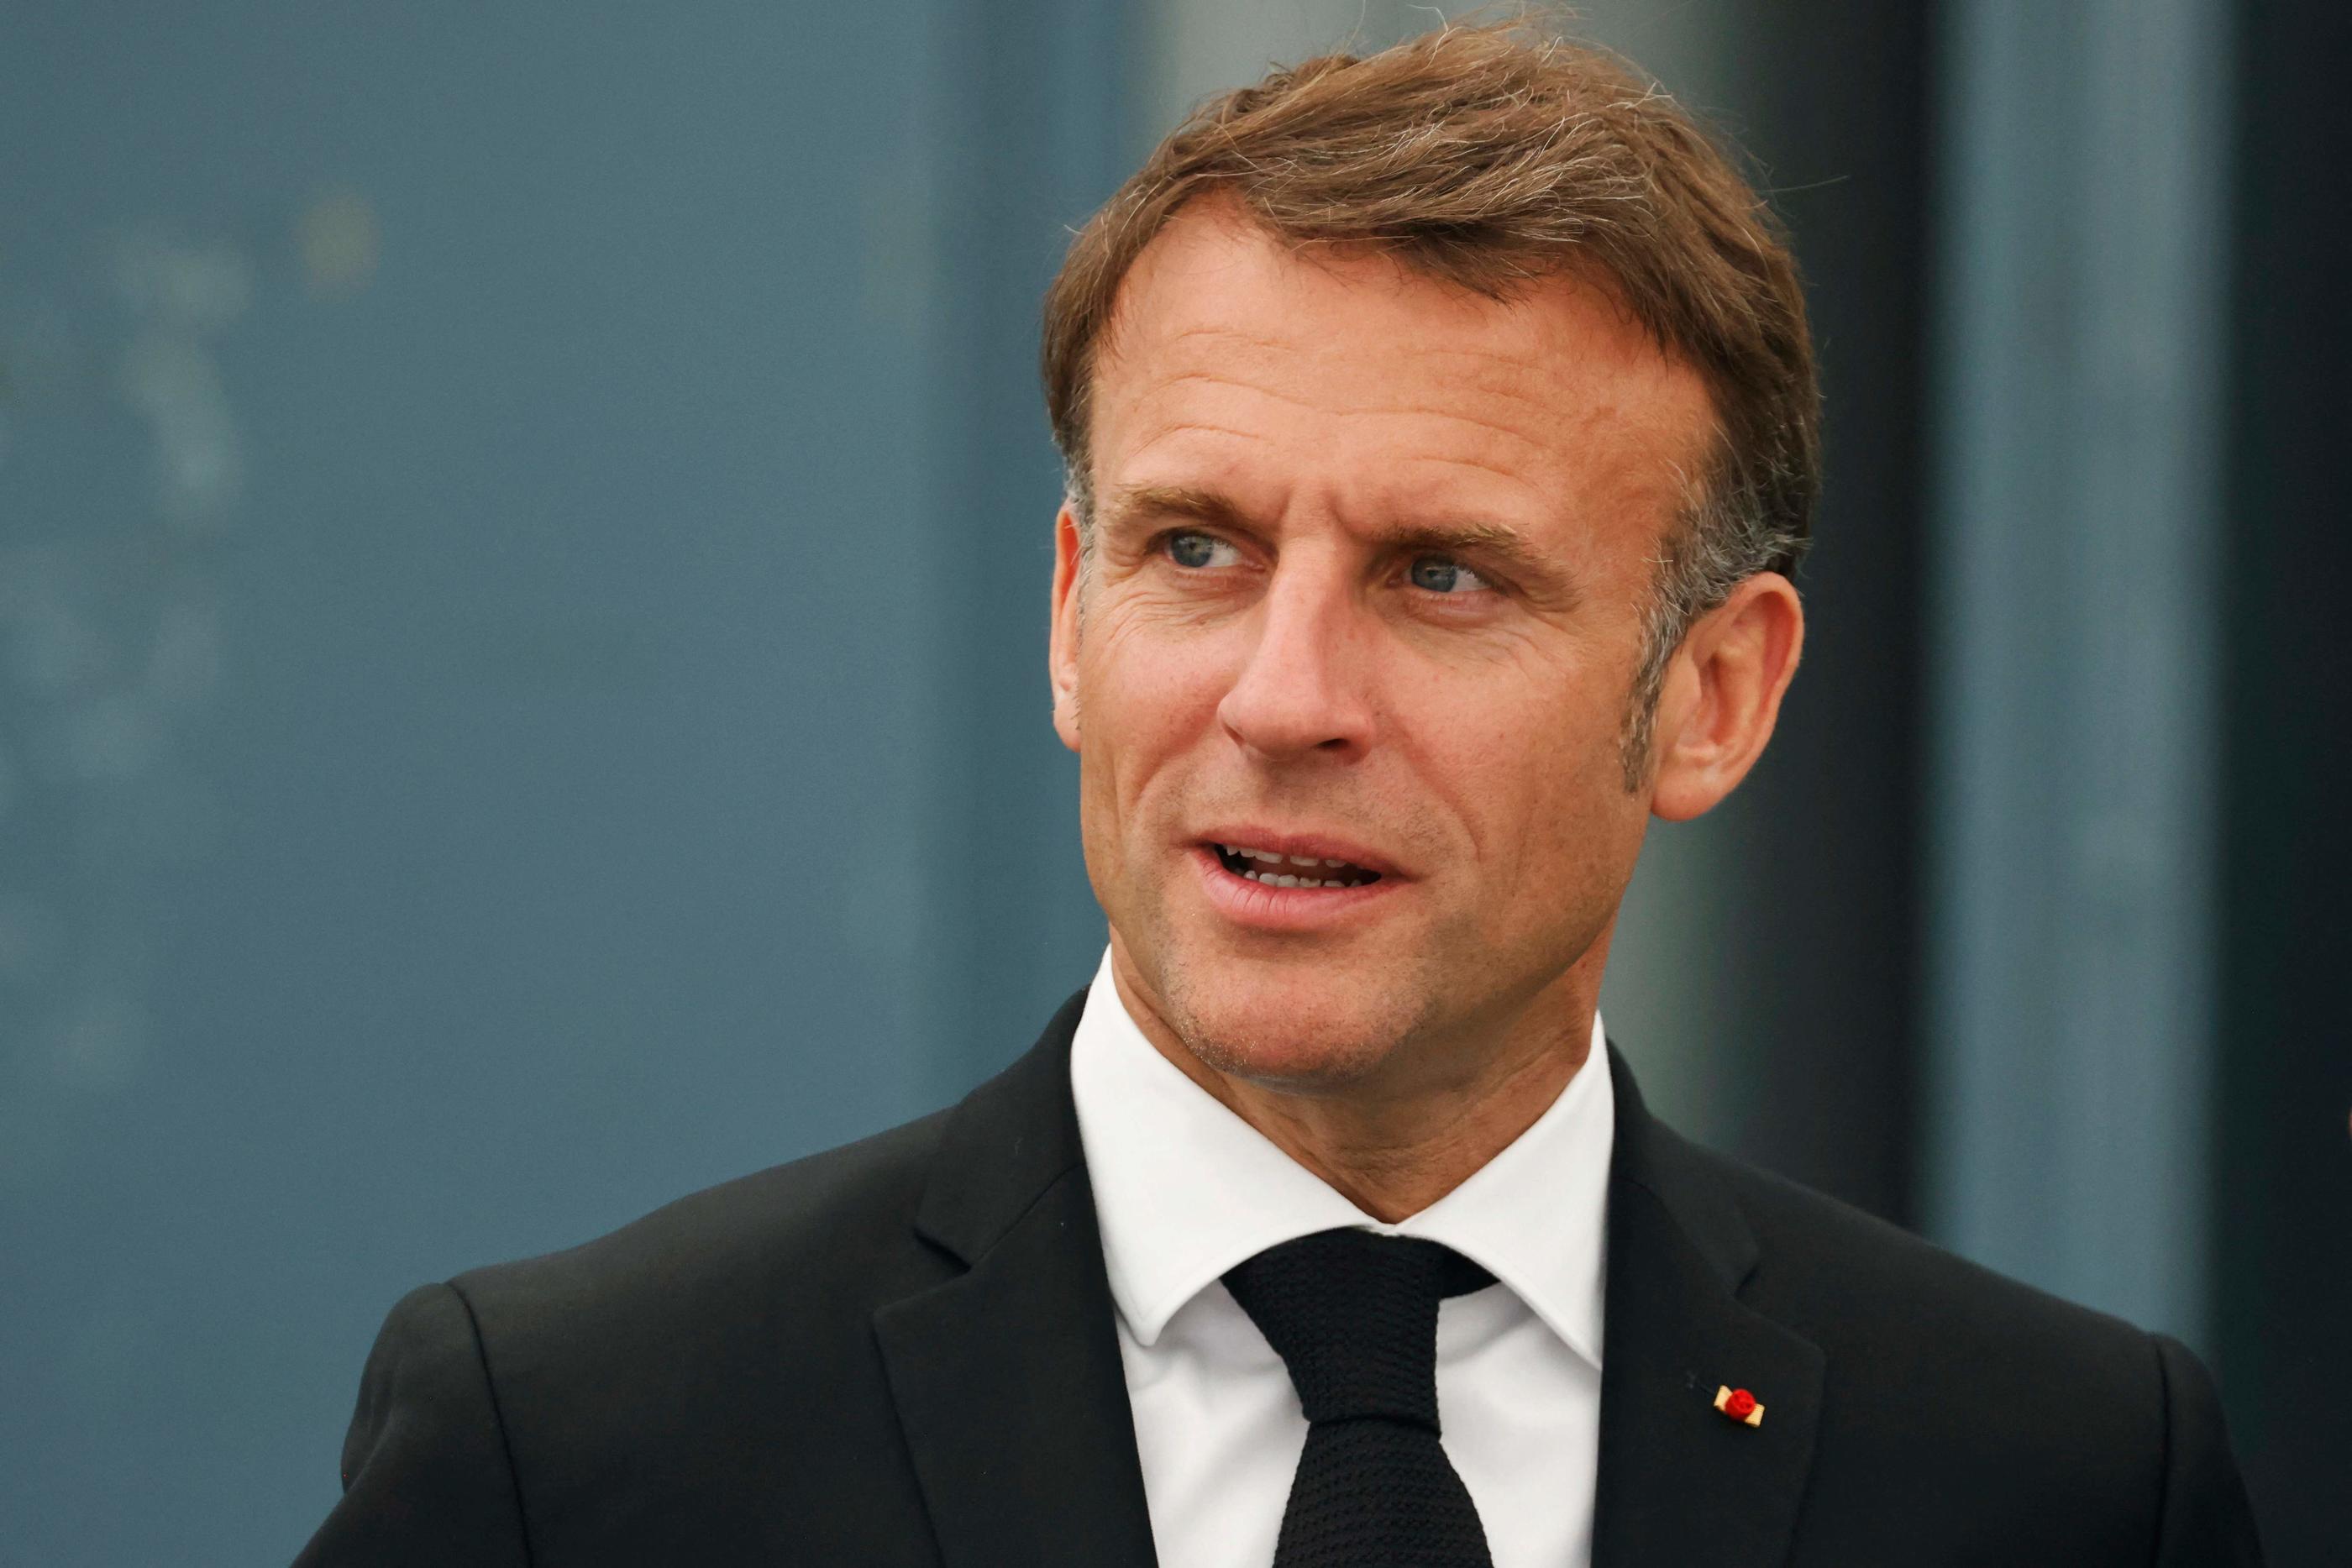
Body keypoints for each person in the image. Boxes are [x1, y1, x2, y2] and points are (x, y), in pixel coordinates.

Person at [294, 20, 2262, 1567]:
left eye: (1441, 574)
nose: (1282, 694)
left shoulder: (2061, 1476)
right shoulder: (579, 1448)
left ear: (1712, 693)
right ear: (1070, 616)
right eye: (1195, 551)